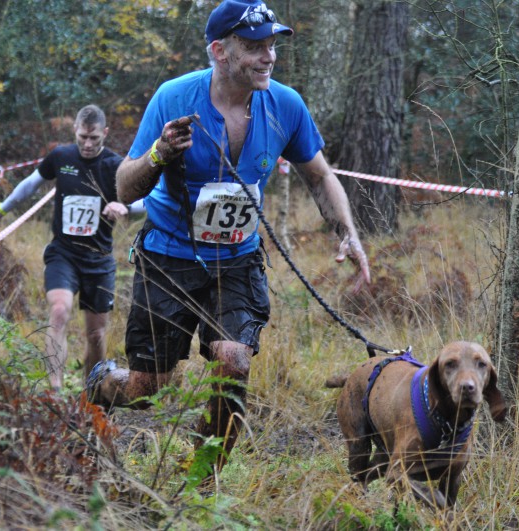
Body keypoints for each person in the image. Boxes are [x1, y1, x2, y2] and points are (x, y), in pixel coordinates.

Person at [86, 0, 371, 475]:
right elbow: (124, 185)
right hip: (168, 257)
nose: (269, 56)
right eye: (255, 47)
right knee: (147, 387)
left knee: (235, 362)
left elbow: (320, 176)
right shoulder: (174, 98)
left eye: (272, 45)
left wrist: (349, 233)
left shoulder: (285, 105)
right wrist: (159, 154)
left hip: (237, 258)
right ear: (220, 50)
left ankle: (200, 479)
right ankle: (100, 384)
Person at [0, 104, 141, 393]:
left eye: (94, 139)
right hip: (63, 254)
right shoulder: (61, 157)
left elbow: (148, 199)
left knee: (96, 334)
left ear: (105, 133)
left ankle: (92, 393)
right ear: (75, 132)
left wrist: (125, 205)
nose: (88, 145)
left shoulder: (116, 165)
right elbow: (30, 184)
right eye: (82, 138)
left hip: (99, 260)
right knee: (58, 311)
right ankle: (54, 391)